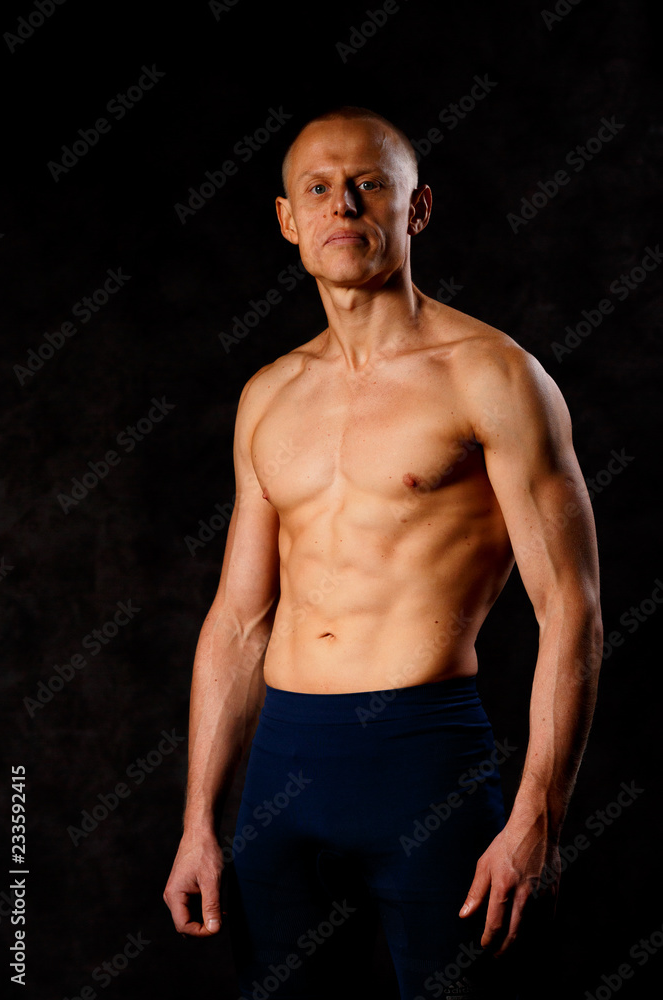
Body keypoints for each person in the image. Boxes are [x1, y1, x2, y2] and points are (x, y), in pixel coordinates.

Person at [164, 106, 603, 999]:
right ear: (288, 218)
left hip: (426, 765)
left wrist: (537, 819)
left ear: (418, 208)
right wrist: (198, 825)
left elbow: (572, 608)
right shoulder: (270, 394)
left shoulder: (492, 375)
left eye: (370, 186)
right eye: (317, 190)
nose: (343, 207)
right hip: (285, 774)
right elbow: (240, 622)